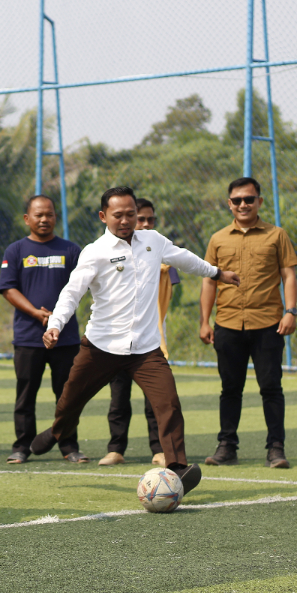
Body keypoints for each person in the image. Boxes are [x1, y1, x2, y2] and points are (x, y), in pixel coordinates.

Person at [30, 186, 241, 497]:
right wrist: (56, 325)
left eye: (132, 214)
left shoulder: (154, 242)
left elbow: (184, 259)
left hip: (145, 349)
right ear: (104, 216)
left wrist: (216, 272)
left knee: (168, 403)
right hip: (100, 347)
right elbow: (72, 293)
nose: (126, 220)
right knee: (71, 398)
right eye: (119, 215)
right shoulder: (95, 251)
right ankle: (58, 431)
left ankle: (178, 467)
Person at [199, 176, 297, 469]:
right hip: (228, 324)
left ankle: (276, 449)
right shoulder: (218, 239)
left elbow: (289, 275)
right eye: (237, 200)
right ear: (229, 204)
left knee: (271, 387)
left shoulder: (277, 235)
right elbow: (209, 281)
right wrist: (204, 321)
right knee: (230, 388)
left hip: (268, 323)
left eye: (249, 199)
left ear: (259, 202)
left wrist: (291, 311)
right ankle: (226, 446)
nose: (243, 205)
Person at [0, 195, 83, 464]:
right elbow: (8, 289)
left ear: (56, 217)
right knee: (26, 395)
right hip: (28, 337)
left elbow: (82, 287)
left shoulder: (71, 250)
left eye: (49, 214)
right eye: (38, 215)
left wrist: (59, 317)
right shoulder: (16, 250)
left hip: (65, 337)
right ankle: (22, 446)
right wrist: (35, 313)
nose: (44, 219)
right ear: (27, 219)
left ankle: (69, 446)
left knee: (67, 395)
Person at [102, 197, 182, 466]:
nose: (144, 224)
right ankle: (116, 448)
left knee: (155, 399)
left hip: (150, 339)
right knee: (118, 397)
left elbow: (170, 285)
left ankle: (159, 450)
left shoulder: (158, 250)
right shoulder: (108, 252)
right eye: (142, 219)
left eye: (149, 219)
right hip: (117, 339)